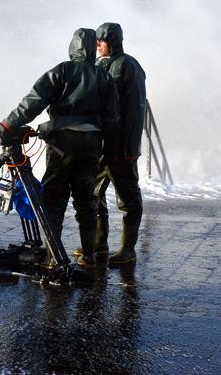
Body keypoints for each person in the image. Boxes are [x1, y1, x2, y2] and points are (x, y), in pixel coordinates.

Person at [0, 28, 118, 269]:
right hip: (91, 146)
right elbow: (113, 119)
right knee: (86, 201)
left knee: (54, 200)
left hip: (62, 144)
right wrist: (109, 151)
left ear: (73, 46)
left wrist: (7, 123)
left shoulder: (62, 70)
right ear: (93, 48)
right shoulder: (104, 77)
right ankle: (89, 256)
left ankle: (53, 258)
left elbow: (34, 101)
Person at [88, 22, 146, 266]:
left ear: (110, 41)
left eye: (100, 41)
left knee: (129, 199)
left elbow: (136, 109)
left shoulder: (128, 66)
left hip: (121, 147)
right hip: (102, 146)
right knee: (93, 194)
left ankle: (128, 250)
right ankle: (99, 245)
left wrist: (129, 148)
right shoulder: (101, 65)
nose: (97, 46)